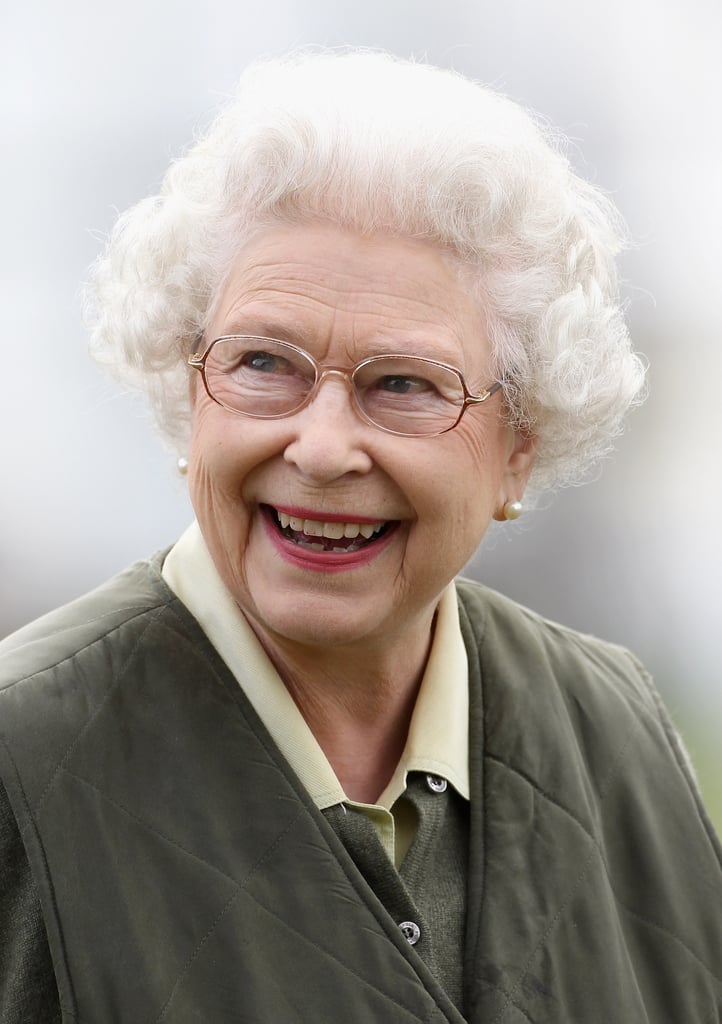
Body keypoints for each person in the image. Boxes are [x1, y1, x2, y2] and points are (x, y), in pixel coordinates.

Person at [0, 50, 720, 1024]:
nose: (324, 446)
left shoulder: (616, 732)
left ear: (518, 444)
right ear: (187, 389)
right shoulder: (24, 761)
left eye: (403, 384)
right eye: (263, 362)